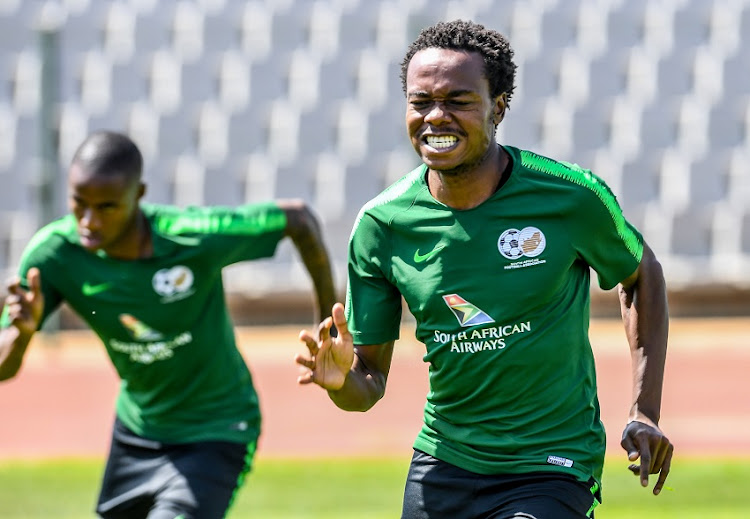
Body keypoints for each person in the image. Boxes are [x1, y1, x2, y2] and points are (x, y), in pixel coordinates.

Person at [296, 19, 673, 519]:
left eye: (457, 100)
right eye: (420, 101)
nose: (435, 117)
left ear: (498, 107)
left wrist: (644, 411)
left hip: (551, 463)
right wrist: (343, 380)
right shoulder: (381, 225)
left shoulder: (569, 197)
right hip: (444, 463)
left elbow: (640, 274)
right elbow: (368, 383)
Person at [0, 130, 337, 519]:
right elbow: (5, 366)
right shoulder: (55, 256)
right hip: (137, 431)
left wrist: (328, 321)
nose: (89, 220)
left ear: (139, 195)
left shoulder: (191, 236)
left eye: (106, 207)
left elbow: (299, 219)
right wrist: (22, 335)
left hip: (218, 427)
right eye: (79, 203)